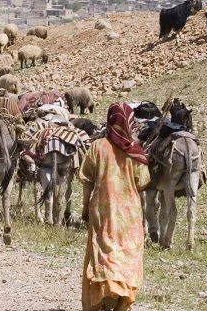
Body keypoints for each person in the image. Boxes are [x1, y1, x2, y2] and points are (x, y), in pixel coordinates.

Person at [79, 102, 151, 311]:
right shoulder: (136, 153)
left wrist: (85, 208)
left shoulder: (97, 147)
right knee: (126, 255)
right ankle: (121, 298)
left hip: (103, 212)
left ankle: (103, 296)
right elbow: (142, 182)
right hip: (129, 216)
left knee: (103, 253)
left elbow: (87, 181)